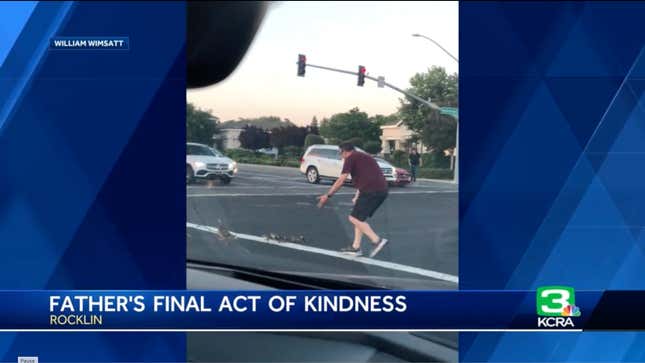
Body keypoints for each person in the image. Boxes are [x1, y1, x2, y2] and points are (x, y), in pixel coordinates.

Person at [317, 142, 389, 257]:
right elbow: (368, 176)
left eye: (340, 153)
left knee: (353, 218)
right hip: (379, 190)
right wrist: (357, 195)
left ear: (344, 151)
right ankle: (356, 247)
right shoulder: (363, 156)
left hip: (372, 191)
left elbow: (341, 180)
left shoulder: (350, 158)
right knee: (359, 218)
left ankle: (377, 241)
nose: (340, 156)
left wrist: (328, 195)